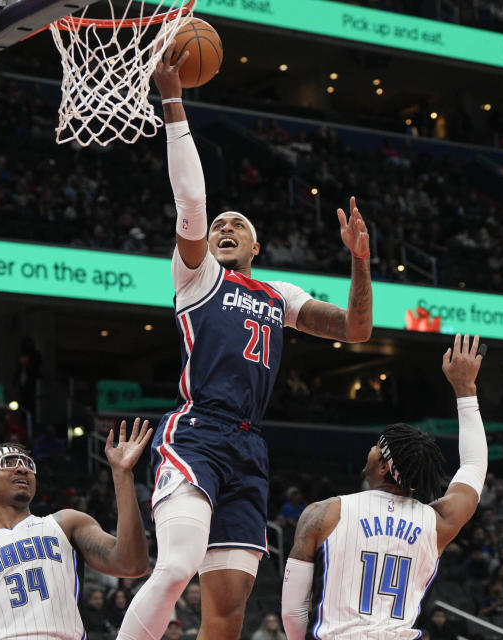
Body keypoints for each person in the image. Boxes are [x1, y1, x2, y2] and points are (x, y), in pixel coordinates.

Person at [117, 47, 374, 640]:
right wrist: (174, 100)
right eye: (218, 226)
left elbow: (356, 329)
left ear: (256, 248)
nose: (224, 228)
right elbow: (191, 201)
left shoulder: (278, 293)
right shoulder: (198, 276)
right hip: (198, 430)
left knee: (229, 606)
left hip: (248, 446)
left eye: (238, 225)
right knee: (178, 564)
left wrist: (360, 262)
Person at [281, 334, 487, 640]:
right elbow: (473, 466)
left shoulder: (323, 513)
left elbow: (292, 612)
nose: (371, 449)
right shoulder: (438, 522)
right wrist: (466, 391)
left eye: (377, 447)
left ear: (384, 465)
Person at [0, 421, 151, 640]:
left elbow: (132, 564)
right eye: (7, 463)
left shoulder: (66, 523)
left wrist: (122, 474)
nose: (21, 468)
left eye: (28, 464)